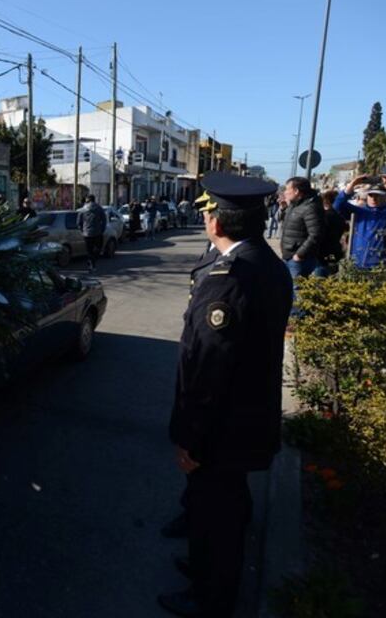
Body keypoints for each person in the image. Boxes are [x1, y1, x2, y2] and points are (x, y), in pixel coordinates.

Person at [159, 172, 292, 618]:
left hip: (222, 428)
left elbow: (210, 368)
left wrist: (192, 438)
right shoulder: (265, 263)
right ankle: (203, 568)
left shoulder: (230, 277)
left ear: (217, 221)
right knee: (221, 507)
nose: (205, 218)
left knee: (219, 518)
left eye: (208, 211)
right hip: (246, 418)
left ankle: (209, 598)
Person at [161, 190, 222, 542]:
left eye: (207, 212)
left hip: (210, 396)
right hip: (205, 384)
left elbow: (214, 356)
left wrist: (192, 427)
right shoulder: (217, 254)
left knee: (211, 478)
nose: (203, 218)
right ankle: (196, 516)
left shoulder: (230, 264)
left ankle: (203, 534)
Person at [334, 173, 386, 269]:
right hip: (358, 265)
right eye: (371, 195)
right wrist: (352, 185)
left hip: (384, 267)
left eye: (378, 195)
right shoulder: (359, 211)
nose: (374, 198)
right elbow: (337, 206)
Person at [280, 176, 326, 281]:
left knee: (297, 292)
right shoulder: (295, 205)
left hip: (299, 259)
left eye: (287, 189)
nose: (285, 192)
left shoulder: (310, 207)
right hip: (289, 256)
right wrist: (283, 209)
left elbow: (316, 234)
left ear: (296, 191)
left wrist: (299, 254)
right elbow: (291, 224)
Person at [314, 190, 346, 277]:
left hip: (322, 253)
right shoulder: (340, 217)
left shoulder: (324, 216)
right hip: (335, 251)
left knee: (319, 279)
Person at [77, 194, 107, 272]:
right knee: (98, 248)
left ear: (88, 200)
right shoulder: (99, 208)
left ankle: (91, 263)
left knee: (89, 250)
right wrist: (102, 229)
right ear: (94, 200)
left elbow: (78, 222)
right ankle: (92, 262)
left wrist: (82, 231)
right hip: (97, 233)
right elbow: (104, 220)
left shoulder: (83, 209)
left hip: (87, 233)